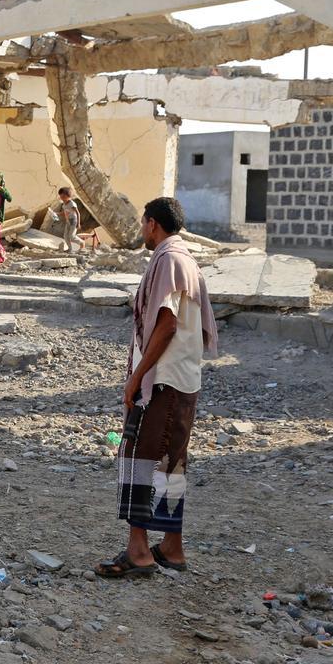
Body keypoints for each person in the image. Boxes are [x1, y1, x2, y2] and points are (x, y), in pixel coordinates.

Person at [96, 197, 218, 578]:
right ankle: (171, 547)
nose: (141, 229)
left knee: (139, 458)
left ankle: (138, 551)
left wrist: (136, 377)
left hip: (163, 380)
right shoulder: (186, 259)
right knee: (170, 463)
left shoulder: (167, 260)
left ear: (152, 224)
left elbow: (165, 323)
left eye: (142, 222)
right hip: (182, 378)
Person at [57, 186, 82, 253]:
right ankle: (70, 249)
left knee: (71, 236)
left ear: (68, 196)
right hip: (68, 221)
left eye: (64, 197)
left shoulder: (72, 204)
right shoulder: (64, 204)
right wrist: (57, 214)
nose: (62, 199)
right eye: (61, 197)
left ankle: (81, 242)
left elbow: (78, 213)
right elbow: (65, 212)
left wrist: (78, 223)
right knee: (65, 236)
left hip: (74, 221)